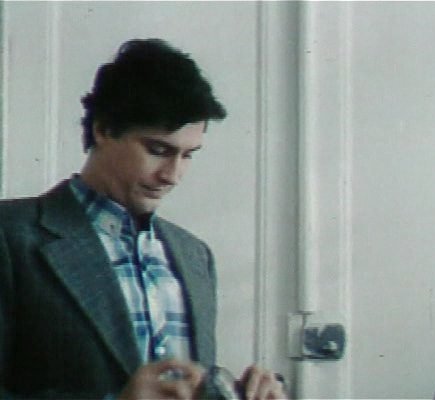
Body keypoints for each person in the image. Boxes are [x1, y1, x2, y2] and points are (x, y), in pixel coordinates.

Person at [0, 38, 286, 399]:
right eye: (158, 150)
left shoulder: (195, 255)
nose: (173, 175)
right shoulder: (11, 235)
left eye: (189, 155)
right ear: (104, 129)